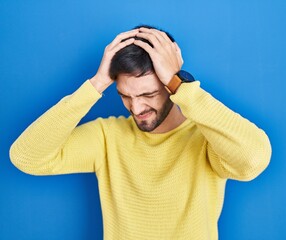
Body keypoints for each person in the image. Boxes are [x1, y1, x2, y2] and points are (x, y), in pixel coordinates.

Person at [10, 25, 272, 240]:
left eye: (148, 94)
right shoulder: (107, 137)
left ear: (171, 85)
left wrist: (183, 86)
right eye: (125, 95)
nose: (136, 108)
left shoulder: (207, 137)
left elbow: (253, 160)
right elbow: (26, 156)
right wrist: (97, 84)